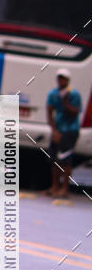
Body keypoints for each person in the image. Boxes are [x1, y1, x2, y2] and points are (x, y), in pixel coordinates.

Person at [46, 67, 82, 198]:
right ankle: (54, 186)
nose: (61, 80)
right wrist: (54, 131)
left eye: (64, 78)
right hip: (58, 130)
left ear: (68, 80)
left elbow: (74, 113)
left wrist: (65, 101)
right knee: (54, 160)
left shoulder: (73, 94)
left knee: (66, 160)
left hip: (70, 130)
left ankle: (65, 188)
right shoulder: (53, 94)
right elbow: (49, 112)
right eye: (59, 78)